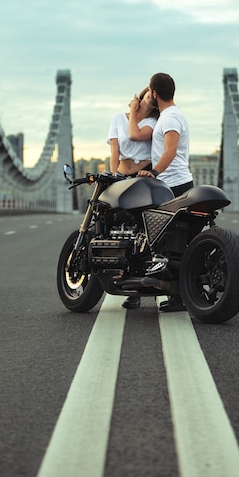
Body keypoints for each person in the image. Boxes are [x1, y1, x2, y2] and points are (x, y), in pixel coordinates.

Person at [137, 72, 193, 312]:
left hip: (173, 184)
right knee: (174, 241)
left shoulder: (170, 118)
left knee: (166, 238)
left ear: (156, 93)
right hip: (176, 182)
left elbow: (169, 151)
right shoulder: (170, 116)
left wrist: (154, 172)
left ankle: (170, 290)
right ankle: (175, 295)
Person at [108, 88, 159, 310]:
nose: (150, 101)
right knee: (115, 226)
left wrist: (134, 112)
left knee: (139, 231)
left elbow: (133, 135)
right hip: (120, 176)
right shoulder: (118, 118)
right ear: (141, 95)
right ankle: (120, 275)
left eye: (154, 100)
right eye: (148, 96)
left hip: (141, 178)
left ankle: (136, 290)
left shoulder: (154, 124)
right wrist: (112, 178)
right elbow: (114, 151)